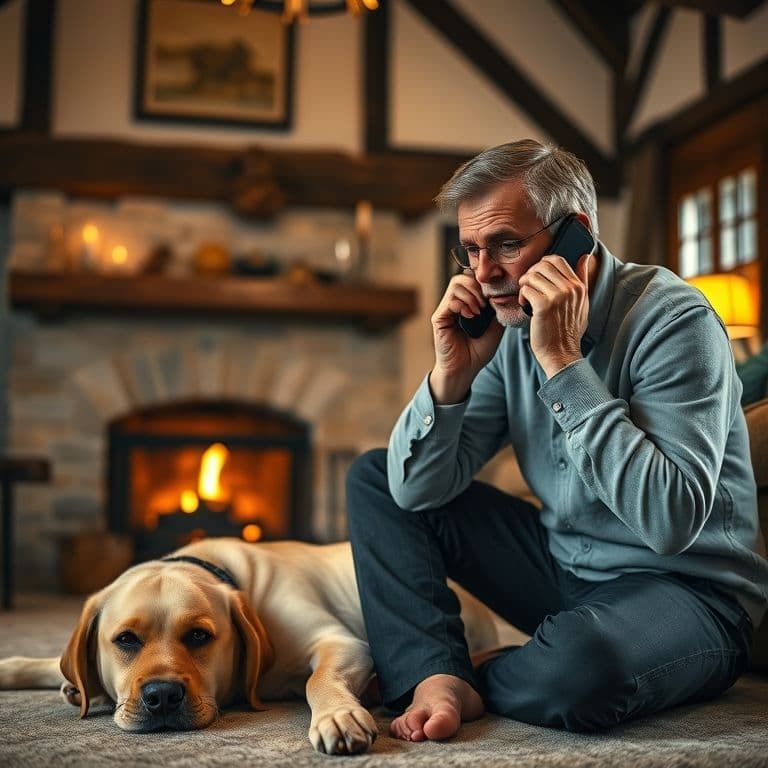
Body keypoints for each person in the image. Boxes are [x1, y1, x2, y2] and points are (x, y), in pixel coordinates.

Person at [346, 139, 768, 742]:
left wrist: (563, 362)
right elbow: (415, 493)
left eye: (505, 245)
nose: (483, 274)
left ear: (577, 236)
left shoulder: (676, 321)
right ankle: (434, 675)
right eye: (471, 251)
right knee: (376, 477)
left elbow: (670, 522)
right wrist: (450, 377)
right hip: (563, 568)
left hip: (690, 593)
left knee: (579, 666)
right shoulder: (508, 330)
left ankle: (479, 674)